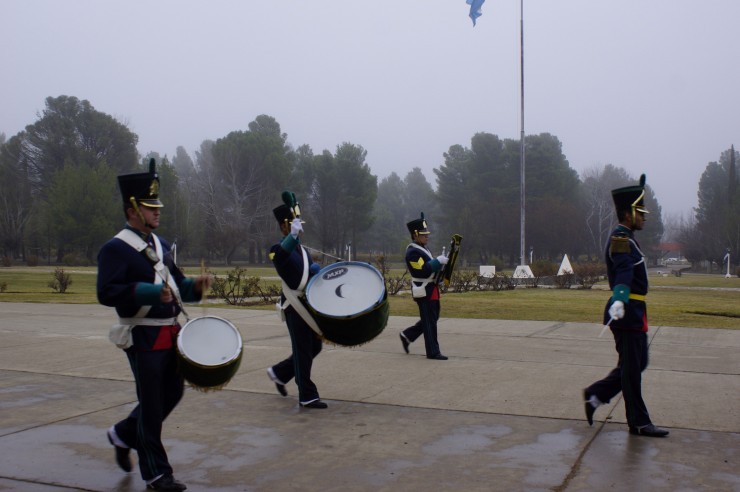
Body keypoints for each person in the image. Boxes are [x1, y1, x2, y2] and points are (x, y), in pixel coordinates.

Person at [97, 159, 213, 490]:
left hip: (170, 332)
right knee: (150, 404)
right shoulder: (115, 248)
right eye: (150, 207)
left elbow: (176, 285)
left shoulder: (160, 245)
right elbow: (106, 292)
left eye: (157, 206)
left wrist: (195, 286)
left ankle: (123, 434)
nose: (157, 212)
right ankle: (157, 473)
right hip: (141, 334)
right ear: (132, 209)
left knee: (171, 393)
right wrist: (149, 292)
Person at [582, 174, 669, 437]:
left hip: (634, 310)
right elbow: (622, 271)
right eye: (640, 212)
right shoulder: (621, 239)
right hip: (625, 310)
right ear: (629, 213)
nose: (644, 217)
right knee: (632, 370)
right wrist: (620, 297)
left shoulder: (629, 238)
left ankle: (596, 394)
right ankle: (639, 423)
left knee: (637, 364)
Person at [266, 193, 327, 409]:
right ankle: (307, 395)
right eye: (293, 224)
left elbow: (306, 274)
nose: (299, 228)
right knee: (303, 350)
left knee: (315, 347)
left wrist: (315, 273)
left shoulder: (302, 249)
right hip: (294, 306)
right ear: (285, 227)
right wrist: (291, 238)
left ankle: (280, 373)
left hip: (307, 305)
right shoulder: (277, 249)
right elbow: (281, 259)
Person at [399, 213, 449, 360]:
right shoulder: (412, 252)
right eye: (423, 234)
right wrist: (437, 262)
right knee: (429, 321)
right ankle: (433, 352)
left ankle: (407, 335)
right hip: (424, 290)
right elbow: (422, 270)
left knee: (433, 318)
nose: (427, 237)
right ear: (415, 235)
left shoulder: (423, 249)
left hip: (430, 288)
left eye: (427, 234)